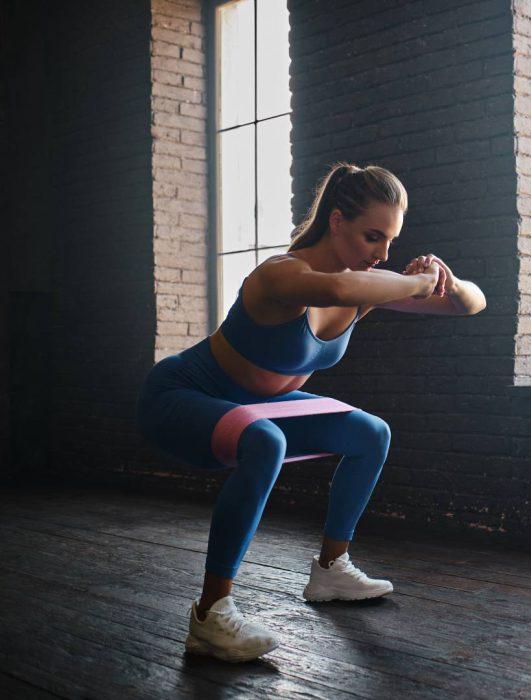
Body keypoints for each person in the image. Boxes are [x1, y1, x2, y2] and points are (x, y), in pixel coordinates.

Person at [135, 162, 486, 662]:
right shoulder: (280, 275)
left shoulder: (366, 286)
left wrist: (443, 278)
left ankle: (331, 570)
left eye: (390, 241)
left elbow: (469, 305)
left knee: (370, 433)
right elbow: (339, 290)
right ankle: (210, 616)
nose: (383, 254)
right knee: (265, 441)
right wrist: (410, 283)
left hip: (254, 404)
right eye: (372, 237)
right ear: (337, 221)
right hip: (181, 395)